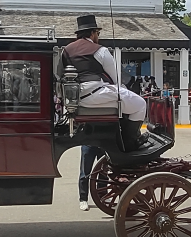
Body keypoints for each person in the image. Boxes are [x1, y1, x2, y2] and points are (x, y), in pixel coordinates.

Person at [62, 14, 149, 150]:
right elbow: (116, 80)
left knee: (126, 100)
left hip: (76, 99)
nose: (98, 36)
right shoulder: (100, 50)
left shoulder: (66, 51)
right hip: (97, 94)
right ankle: (130, 142)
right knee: (140, 104)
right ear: (92, 33)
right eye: (98, 33)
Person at [78, 144, 104, 211]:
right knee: (84, 173)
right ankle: (83, 199)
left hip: (103, 143)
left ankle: (103, 195)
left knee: (103, 171)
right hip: (88, 143)